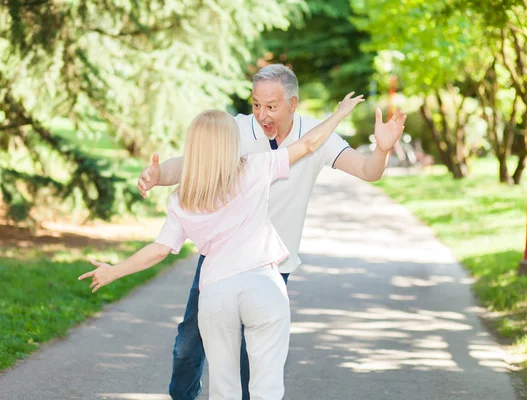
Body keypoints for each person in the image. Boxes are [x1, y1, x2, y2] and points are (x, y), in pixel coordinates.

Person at [137, 64, 407, 400]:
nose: (262, 114)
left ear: (293, 104)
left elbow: (368, 171)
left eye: (271, 106)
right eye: (256, 105)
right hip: (221, 260)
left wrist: (381, 150)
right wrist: (158, 174)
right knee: (188, 347)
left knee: (253, 361)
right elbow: (193, 162)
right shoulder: (236, 130)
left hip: (271, 265)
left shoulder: (318, 135)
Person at [78, 93, 369, 399]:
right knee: (266, 386)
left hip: (216, 294)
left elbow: (160, 249)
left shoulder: (182, 198)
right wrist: (338, 114)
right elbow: (308, 145)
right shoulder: (253, 168)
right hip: (264, 286)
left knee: (224, 386)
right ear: (231, 144)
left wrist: (114, 271)